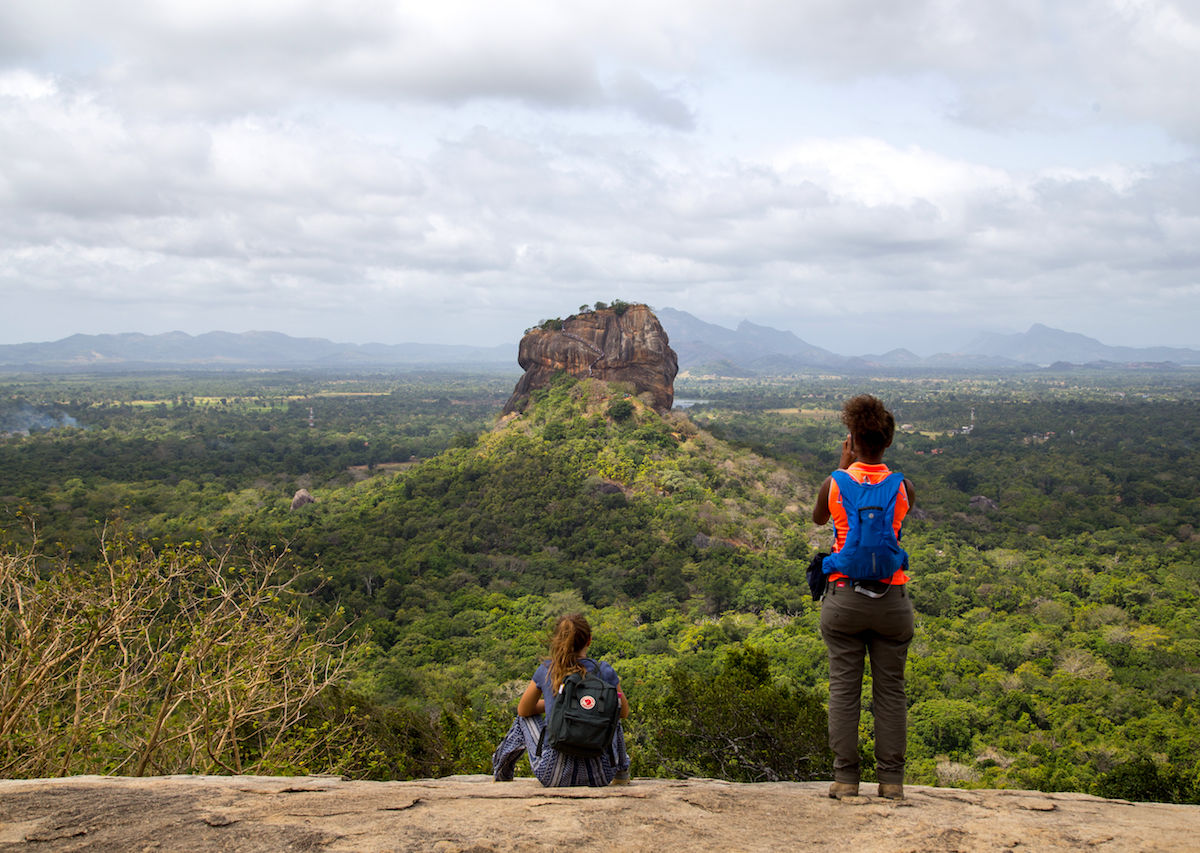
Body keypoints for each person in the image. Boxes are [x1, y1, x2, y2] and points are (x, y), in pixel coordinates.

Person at [812, 394, 916, 801]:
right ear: (887, 443)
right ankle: (891, 782)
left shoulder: (834, 484)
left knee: (844, 688)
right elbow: (898, 523)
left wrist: (842, 467)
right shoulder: (903, 486)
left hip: (844, 600)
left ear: (851, 439)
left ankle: (846, 779)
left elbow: (820, 518)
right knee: (890, 691)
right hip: (892, 600)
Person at [492, 612, 631, 786]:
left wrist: (556, 703)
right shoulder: (604, 671)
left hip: (553, 775)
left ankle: (503, 771)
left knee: (522, 719)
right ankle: (622, 772)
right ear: (589, 640)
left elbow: (524, 710)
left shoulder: (548, 670)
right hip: (600, 775)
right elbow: (624, 712)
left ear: (558, 640)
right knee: (613, 709)